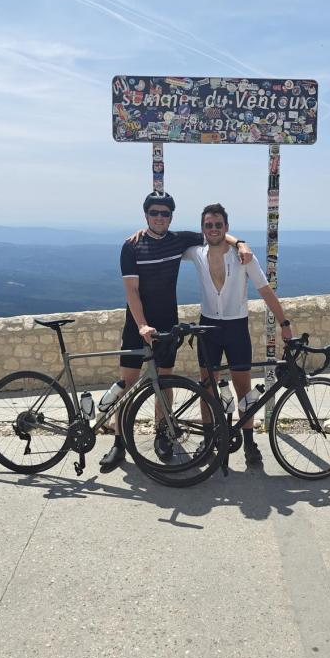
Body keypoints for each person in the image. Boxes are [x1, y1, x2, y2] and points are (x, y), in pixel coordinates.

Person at [99, 191, 252, 472]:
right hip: (137, 324)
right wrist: (142, 324)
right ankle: (119, 443)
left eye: (165, 213)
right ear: (146, 215)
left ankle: (163, 434)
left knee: (164, 383)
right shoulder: (131, 246)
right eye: (154, 213)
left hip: (167, 323)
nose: (159, 218)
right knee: (127, 382)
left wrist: (240, 242)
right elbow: (131, 291)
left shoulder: (179, 240)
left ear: (171, 216)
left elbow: (215, 235)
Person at [183, 203, 294, 465]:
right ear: (202, 228)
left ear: (226, 227)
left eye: (218, 225)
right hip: (207, 327)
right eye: (208, 225)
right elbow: (164, 244)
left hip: (236, 328)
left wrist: (284, 323)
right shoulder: (195, 252)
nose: (213, 229)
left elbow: (265, 290)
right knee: (207, 386)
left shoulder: (243, 257)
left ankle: (249, 442)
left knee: (243, 389)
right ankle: (209, 438)